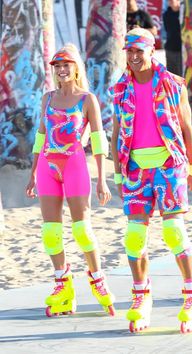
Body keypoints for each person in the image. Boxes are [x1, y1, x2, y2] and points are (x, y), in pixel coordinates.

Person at [110, 28, 192, 333]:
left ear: (152, 51)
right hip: (136, 169)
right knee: (134, 237)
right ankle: (142, 297)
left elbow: (187, 128)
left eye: (140, 51)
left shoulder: (172, 84)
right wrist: (116, 171)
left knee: (174, 230)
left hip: (168, 165)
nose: (134, 57)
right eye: (130, 51)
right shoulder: (120, 89)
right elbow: (115, 133)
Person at [26, 43, 115, 317]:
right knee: (50, 233)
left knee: (82, 230)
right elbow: (41, 136)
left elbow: (99, 142)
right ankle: (62, 285)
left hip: (75, 164)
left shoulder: (87, 99)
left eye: (67, 65)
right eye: (58, 66)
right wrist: (32, 173)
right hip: (47, 167)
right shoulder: (48, 98)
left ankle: (98, 279)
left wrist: (102, 179)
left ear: (76, 68)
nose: (62, 70)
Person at [163, 0, 182, 76]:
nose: (170, 2)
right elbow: (169, 30)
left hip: (181, 49)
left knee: (181, 74)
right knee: (171, 75)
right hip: (170, 48)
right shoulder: (166, 14)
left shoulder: (183, 13)